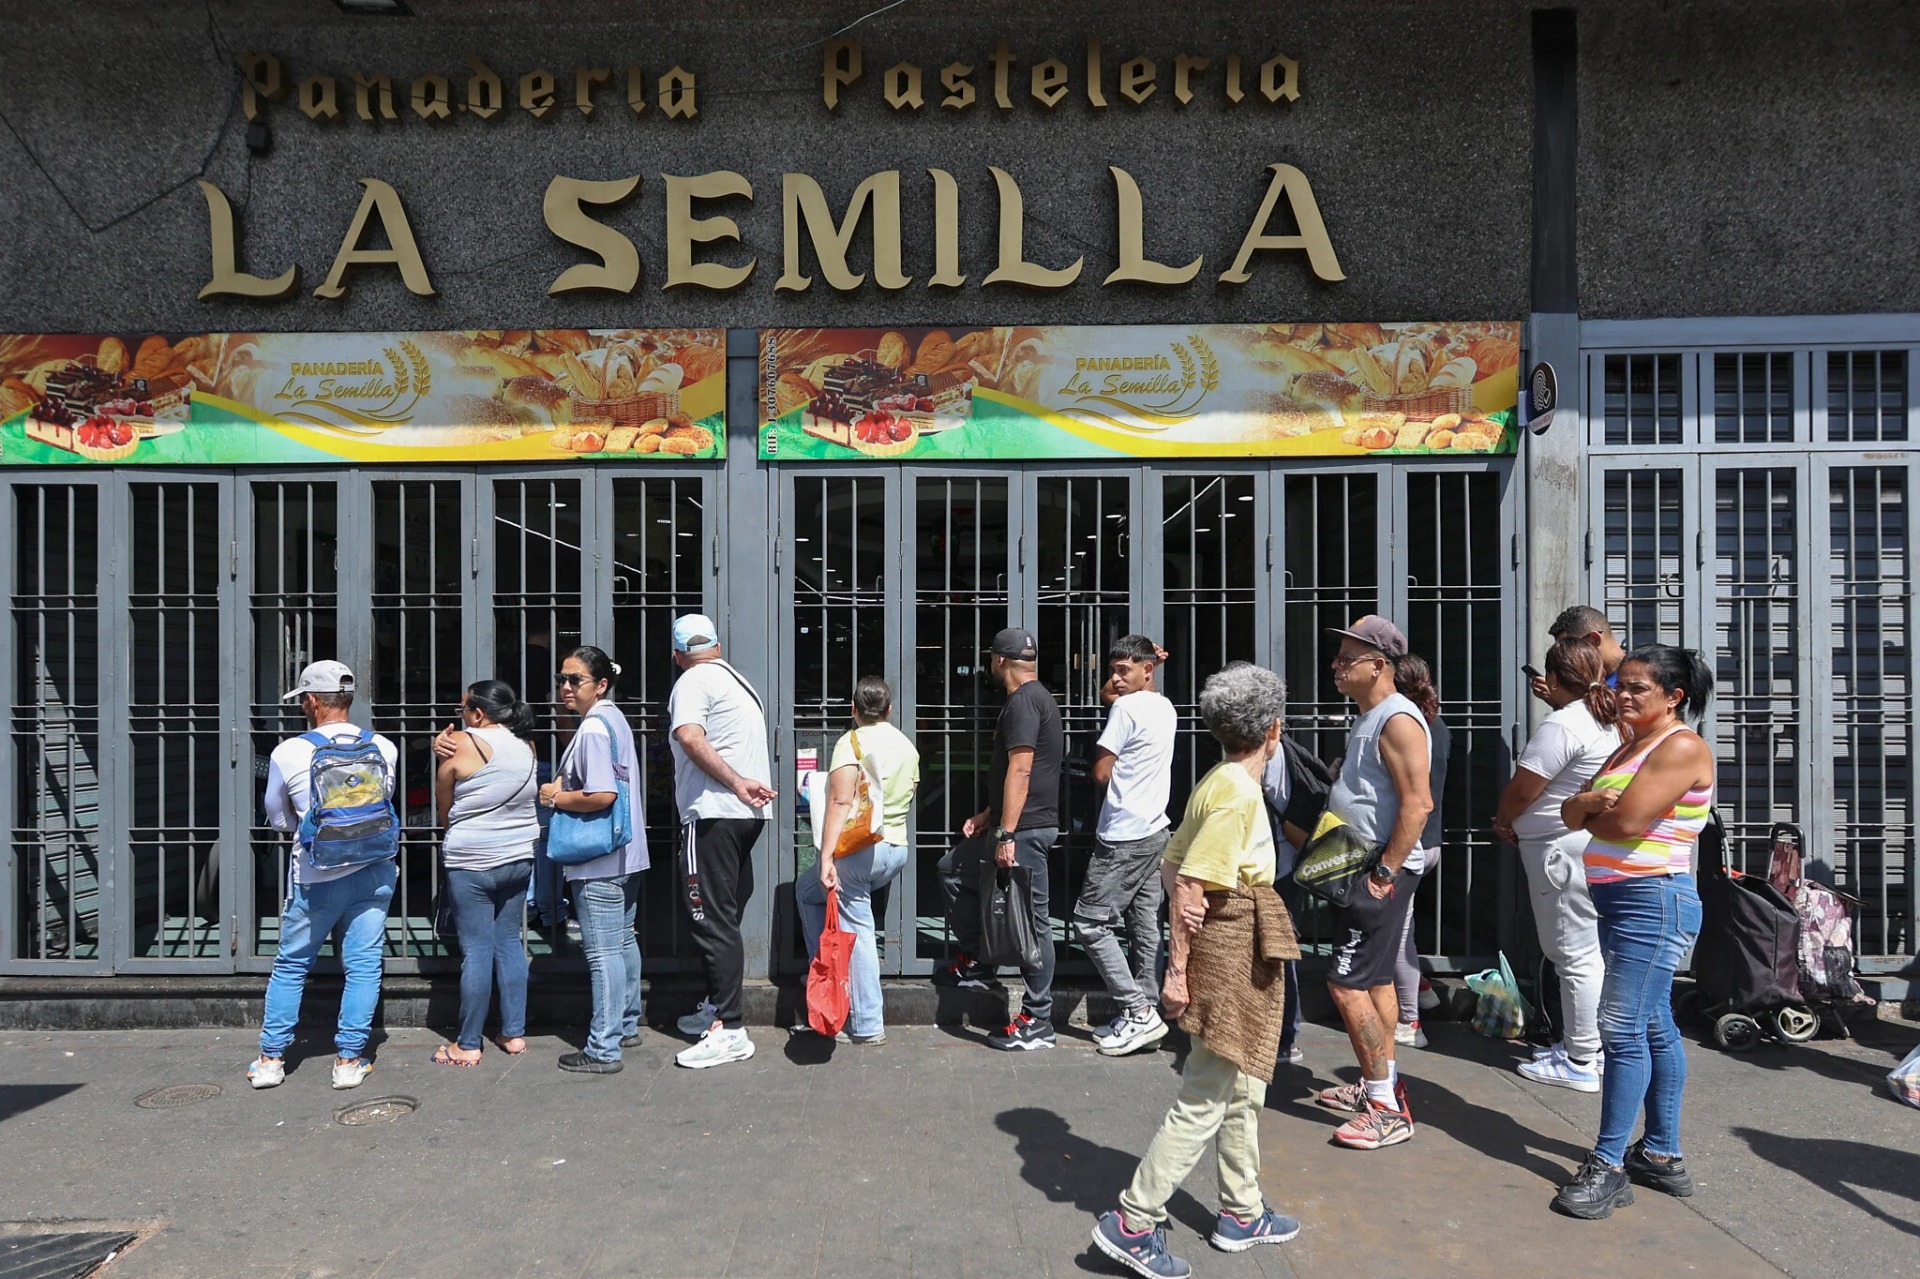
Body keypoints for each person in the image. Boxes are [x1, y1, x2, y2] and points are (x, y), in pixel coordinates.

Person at [1092, 664, 1303, 1277]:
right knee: (1208, 1091)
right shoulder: (1236, 793)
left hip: (1229, 941)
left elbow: (1174, 862)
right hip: (1229, 947)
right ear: (1273, 729)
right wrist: (1178, 972)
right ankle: (1134, 1220)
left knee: (1243, 1085)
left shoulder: (1217, 780)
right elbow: (1189, 884)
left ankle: (1242, 1210)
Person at [1552, 645, 1712, 1220]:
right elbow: (1571, 812)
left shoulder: (1682, 746)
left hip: (1654, 901)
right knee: (1651, 1022)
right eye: (1622, 684)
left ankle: (1610, 1165)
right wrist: (1590, 803)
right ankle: (1662, 1155)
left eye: (1638, 688)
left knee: (1619, 1026)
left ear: (1674, 697)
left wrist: (1591, 807)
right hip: (1623, 899)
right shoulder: (1628, 744)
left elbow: (1625, 822)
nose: (1622, 694)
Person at [248, 660, 399, 1092]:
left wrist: (310, 831)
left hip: (317, 875)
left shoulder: (289, 751)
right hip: (374, 869)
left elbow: (276, 814)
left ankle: (271, 1060)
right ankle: (350, 1060)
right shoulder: (384, 746)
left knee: (292, 965)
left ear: (312, 701)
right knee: (364, 966)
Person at [1313, 616, 1432, 1151]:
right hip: (1358, 865)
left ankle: (1386, 1107)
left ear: (1378, 665)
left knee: (1346, 984)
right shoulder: (1371, 717)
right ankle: (1376, 1085)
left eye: (1346, 659)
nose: (1336, 666)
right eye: (1338, 657)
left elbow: (1418, 804)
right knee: (1377, 982)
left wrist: (1384, 874)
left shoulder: (1397, 721)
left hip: (1376, 873)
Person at [1493, 638, 1621, 1092]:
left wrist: (1504, 819)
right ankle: (1584, 1048)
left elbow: (1524, 788)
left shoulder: (1564, 724)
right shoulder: (1603, 718)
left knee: (1573, 954)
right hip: (1574, 844)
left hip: (1558, 849)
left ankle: (1581, 1058)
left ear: (1553, 676)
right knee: (1583, 952)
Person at [933, 626, 1066, 1052]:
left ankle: (1038, 1019)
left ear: (1000, 661)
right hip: (1014, 824)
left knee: (1033, 922)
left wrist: (1006, 832)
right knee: (952, 869)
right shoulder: (1034, 698)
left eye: (990, 659)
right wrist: (989, 815)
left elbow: (1023, 770)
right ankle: (979, 961)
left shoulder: (1025, 702)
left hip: (1024, 830)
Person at [665, 614, 776, 1070]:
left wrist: (734, 782)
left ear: (676, 656)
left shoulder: (692, 681)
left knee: (711, 921)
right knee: (723, 917)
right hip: (745, 817)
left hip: (713, 813)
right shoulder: (738, 682)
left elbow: (690, 737)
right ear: (717, 644)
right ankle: (718, 1011)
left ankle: (729, 1028)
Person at [796, 676, 921, 1045]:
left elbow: (839, 802)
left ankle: (865, 1022)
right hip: (895, 849)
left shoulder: (850, 743)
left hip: (860, 852)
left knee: (856, 928)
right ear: (889, 710)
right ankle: (832, 979)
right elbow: (910, 791)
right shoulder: (905, 745)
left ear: (853, 709)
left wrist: (826, 857)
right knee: (810, 894)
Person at [543, 645, 649, 1075]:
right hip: (627, 854)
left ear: (601, 684)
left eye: (575, 680)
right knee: (623, 940)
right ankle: (625, 1024)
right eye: (562, 680)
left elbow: (601, 795)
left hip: (598, 860)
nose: (565, 687)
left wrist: (555, 795)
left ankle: (603, 1047)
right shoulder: (614, 719)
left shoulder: (591, 729)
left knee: (602, 952)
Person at [1078, 634, 1178, 1058]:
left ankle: (1138, 1012)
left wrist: (1119, 695)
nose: (1115, 680)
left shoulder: (1125, 708)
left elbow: (1101, 772)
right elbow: (1115, 690)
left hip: (1123, 834)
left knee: (1089, 922)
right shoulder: (1164, 705)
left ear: (1147, 671)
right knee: (1143, 923)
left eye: (1124, 671)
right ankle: (1146, 1007)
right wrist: (1128, 675)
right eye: (1113, 671)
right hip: (1156, 829)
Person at [431, 680, 541, 1067]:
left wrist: (439, 752)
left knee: (476, 951)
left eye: (462, 708)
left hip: (472, 861)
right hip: (518, 857)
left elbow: (444, 800)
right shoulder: (527, 745)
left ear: (477, 713)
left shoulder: (462, 742)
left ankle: (467, 1043)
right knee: (509, 942)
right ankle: (513, 1033)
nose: (459, 715)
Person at [1389, 654, 1452, 1050]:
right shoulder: (1437, 724)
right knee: (1403, 928)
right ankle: (1424, 987)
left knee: (1396, 934)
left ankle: (1411, 1021)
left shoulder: (1403, 726)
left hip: (1408, 842)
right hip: (1431, 841)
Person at [1530, 604, 1625, 704]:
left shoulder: (1637, 677)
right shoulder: (1586, 681)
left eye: (1572, 649)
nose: (1567, 659)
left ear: (1594, 639)